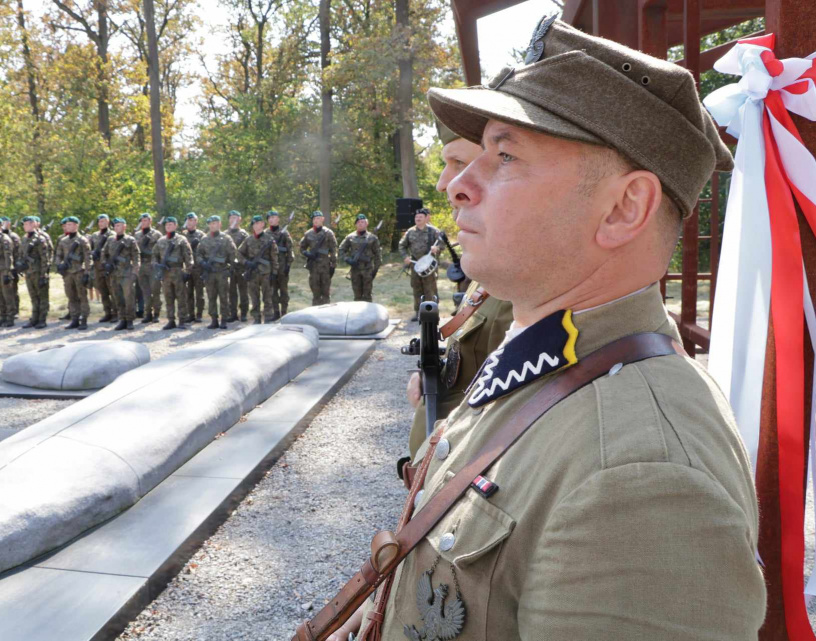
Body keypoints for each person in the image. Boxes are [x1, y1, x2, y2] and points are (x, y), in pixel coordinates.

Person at [323, 17, 765, 641]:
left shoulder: (641, 475)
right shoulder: (549, 366)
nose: (458, 185)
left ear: (623, 208)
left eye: (505, 157)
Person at [404, 120, 515, 456]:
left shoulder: (525, 288)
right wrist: (436, 377)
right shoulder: (490, 274)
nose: (443, 183)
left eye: (460, 164)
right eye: (445, 165)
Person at [398, 208, 440, 322]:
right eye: (416, 217)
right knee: (416, 288)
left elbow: (442, 243)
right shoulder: (410, 232)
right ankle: (418, 313)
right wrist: (405, 257)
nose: (418, 219)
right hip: (415, 265)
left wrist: (437, 248)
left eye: (420, 217)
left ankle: (432, 313)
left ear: (426, 218)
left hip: (429, 265)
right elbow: (401, 245)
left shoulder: (433, 231)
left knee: (430, 289)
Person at [152, 216, 194, 330]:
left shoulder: (181, 240)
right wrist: (157, 264)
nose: (168, 226)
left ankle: (182, 320)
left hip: (178, 272)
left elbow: (188, 256)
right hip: (165, 273)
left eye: (171, 224)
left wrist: (188, 271)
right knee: (168, 297)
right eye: (166, 225)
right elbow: (154, 256)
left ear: (175, 226)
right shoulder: (161, 240)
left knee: (181, 297)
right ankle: (171, 320)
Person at [237, 214, 278, 324]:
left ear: (263, 224)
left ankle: (268, 317)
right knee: (254, 298)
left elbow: (274, 257)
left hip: (266, 273)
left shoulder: (269, 239)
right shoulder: (248, 239)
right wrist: (247, 262)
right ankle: (256, 318)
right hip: (253, 273)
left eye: (258, 223)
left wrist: (274, 272)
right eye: (254, 224)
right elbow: (239, 253)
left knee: (267, 297)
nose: (256, 225)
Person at [197, 214, 237, 329]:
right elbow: (198, 254)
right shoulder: (204, 239)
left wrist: (231, 268)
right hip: (209, 273)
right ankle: (214, 319)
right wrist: (203, 263)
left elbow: (233, 254)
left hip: (222, 272)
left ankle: (224, 319)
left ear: (219, 224)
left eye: (215, 223)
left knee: (224, 296)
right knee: (211, 296)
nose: (212, 225)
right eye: (210, 224)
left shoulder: (226, 238)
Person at [55, 216, 93, 330]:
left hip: (79, 272)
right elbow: (58, 255)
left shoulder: (82, 240)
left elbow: (88, 257)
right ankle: (74, 318)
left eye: (71, 224)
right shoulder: (63, 241)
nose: (68, 226)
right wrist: (59, 265)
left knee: (82, 296)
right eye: (67, 225)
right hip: (68, 273)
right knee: (71, 296)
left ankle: (84, 319)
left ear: (76, 225)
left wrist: (87, 273)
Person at [101, 217, 139, 331]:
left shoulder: (130, 240)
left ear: (124, 226)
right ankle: (122, 319)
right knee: (118, 297)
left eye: (119, 225)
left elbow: (136, 257)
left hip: (126, 274)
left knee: (129, 298)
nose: (117, 227)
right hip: (114, 274)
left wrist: (134, 273)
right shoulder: (110, 240)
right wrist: (105, 264)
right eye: (116, 225)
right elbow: (104, 253)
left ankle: (130, 320)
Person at [17, 215, 51, 329]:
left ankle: (42, 319)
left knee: (42, 297)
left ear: (34, 224)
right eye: (24, 224)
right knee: (33, 297)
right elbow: (21, 254)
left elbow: (45, 258)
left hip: (38, 272)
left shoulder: (40, 238)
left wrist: (44, 274)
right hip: (29, 272)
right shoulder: (25, 238)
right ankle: (34, 318)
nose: (25, 226)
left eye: (27, 224)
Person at [338, 214, 381, 302]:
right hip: (355, 270)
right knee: (357, 296)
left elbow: (378, 254)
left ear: (366, 224)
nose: (361, 224)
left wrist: (375, 270)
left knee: (367, 296)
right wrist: (347, 259)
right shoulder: (350, 237)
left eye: (363, 222)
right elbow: (341, 250)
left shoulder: (372, 238)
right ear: (356, 224)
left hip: (368, 269)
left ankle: (368, 315)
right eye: (358, 222)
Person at [299, 210, 337, 306]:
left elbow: (333, 250)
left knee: (325, 293)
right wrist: (307, 254)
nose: (316, 220)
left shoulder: (329, 233)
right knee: (315, 293)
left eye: (318, 218)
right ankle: (315, 313)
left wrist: (333, 265)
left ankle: (326, 314)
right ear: (312, 221)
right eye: (315, 219)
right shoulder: (308, 234)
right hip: (313, 267)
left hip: (325, 266)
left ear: (322, 219)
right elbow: (302, 247)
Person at [135, 212, 162, 324]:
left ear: (150, 221)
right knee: (145, 292)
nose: (143, 222)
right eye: (142, 220)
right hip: (142, 266)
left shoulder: (157, 235)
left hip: (153, 265)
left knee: (155, 291)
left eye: (146, 220)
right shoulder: (137, 235)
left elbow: (161, 250)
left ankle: (156, 314)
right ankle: (148, 314)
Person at [89, 214, 116, 323]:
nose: (102, 223)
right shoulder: (94, 235)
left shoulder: (113, 235)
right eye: (100, 221)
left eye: (104, 221)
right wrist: (92, 253)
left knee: (113, 291)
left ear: (108, 222)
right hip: (97, 267)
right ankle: (107, 312)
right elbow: (88, 248)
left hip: (108, 267)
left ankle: (116, 313)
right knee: (103, 291)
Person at [267, 210, 294, 319]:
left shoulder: (285, 233)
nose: (272, 219)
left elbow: (290, 249)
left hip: (283, 267)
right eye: (270, 218)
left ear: (278, 219)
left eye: (274, 217)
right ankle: (276, 312)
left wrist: (288, 265)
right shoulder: (265, 234)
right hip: (271, 267)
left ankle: (284, 312)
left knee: (283, 290)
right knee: (272, 290)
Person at [225, 210, 250, 322]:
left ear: (240, 219)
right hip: (229, 267)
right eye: (231, 217)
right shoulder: (224, 234)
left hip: (241, 267)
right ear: (229, 219)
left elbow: (249, 251)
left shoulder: (244, 234)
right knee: (231, 292)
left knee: (243, 291)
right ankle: (233, 314)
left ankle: (244, 313)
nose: (233, 220)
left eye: (236, 217)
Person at [182, 212, 206, 322]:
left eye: (192, 220)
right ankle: (190, 314)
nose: (190, 223)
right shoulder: (182, 236)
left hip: (198, 268)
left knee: (199, 293)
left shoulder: (201, 235)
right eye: (188, 220)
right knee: (188, 293)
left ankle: (199, 314)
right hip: (187, 269)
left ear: (196, 221)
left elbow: (205, 252)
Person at [0, 216, 21, 316]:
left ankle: (15, 310)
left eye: (5, 222)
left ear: (9, 224)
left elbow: (17, 252)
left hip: (13, 266)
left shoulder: (13, 236)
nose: (3, 225)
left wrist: (15, 267)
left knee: (13, 289)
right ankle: (5, 310)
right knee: (3, 290)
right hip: (1, 267)